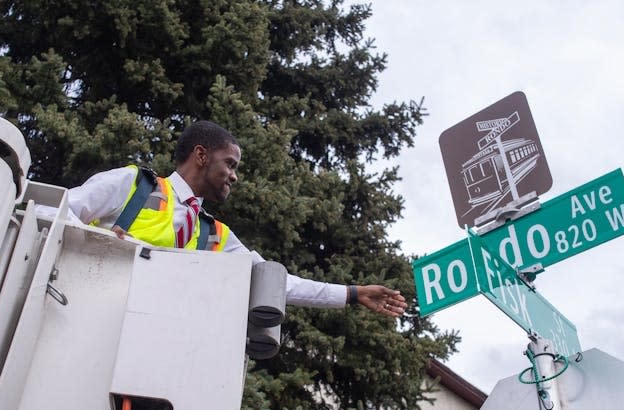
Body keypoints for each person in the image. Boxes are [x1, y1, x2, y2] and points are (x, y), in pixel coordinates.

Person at [66, 120, 407, 316]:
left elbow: (273, 280)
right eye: (230, 164)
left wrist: (351, 293)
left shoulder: (214, 236)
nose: (234, 176)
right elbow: (57, 211)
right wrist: (111, 244)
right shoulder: (134, 186)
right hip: (86, 315)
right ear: (201, 156)